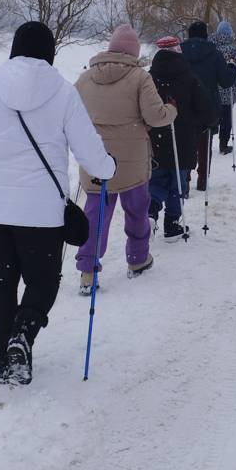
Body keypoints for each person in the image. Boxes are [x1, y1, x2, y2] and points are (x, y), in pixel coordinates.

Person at [0, 21, 116, 385]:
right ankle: (22, 337)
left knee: (2, 278)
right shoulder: (62, 92)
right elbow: (89, 150)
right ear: (50, 52)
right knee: (43, 281)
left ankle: (3, 360)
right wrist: (108, 167)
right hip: (39, 211)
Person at [75, 24, 177, 294]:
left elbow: (71, 116)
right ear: (133, 52)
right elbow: (155, 117)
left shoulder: (85, 79)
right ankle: (138, 259)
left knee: (95, 215)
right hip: (131, 162)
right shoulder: (140, 78)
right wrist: (171, 111)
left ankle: (87, 270)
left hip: (95, 159)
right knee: (136, 211)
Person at [148, 36, 215, 240]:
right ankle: (172, 224)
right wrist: (203, 125)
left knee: (158, 181)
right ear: (179, 51)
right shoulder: (190, 78)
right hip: (184, 140)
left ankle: (151, 212)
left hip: (156, 139)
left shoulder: (148, 79)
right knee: (178, 184)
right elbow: (207, 110)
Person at [180, 21, 236, 190]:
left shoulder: (179, 53)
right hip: (208, 105)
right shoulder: (214, 53)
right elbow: (226, 81)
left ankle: (185, 180)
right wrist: (232, 67)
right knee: (205, 141)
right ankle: (203, 178)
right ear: (205, 35)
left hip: (184, 105)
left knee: (186, 142)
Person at [209, 21, 236, 154]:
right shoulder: (233, 50)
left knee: (210, 118)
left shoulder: (210, 47)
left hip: (212, 91)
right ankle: (223, 145)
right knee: (226, 120)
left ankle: (206, 143)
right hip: (228, 91)